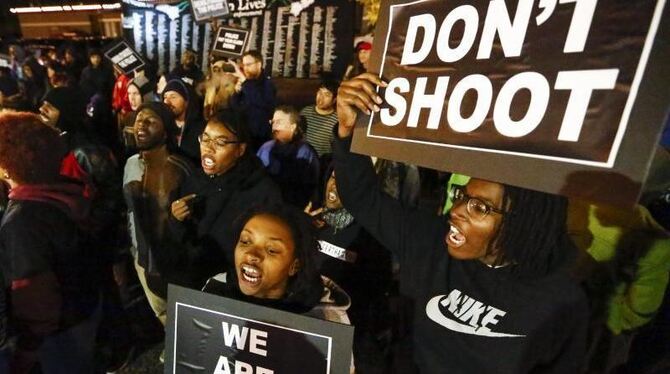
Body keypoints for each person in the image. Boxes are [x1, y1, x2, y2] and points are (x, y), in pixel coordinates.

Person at [332, 73, 589, 373]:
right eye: (461, 196)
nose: (456, 211)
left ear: (525, 224)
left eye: (479, 207)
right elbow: (363, 198)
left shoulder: (561, 303)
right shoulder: (431, 242)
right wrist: (348, 131)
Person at [0, 112, 102, 373]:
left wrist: (26, 351)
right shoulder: (65, 191)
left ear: (8, 165)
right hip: (84, 310)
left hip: (55, 336)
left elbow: (35, 293)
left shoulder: (22, 220)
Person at [202, 203, 353, 372]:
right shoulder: (216, 287)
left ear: (294, 266)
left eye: (272, 250)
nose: (252, 254)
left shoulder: (326, 320)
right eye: (245, 241)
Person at [170, 110, 281, 289]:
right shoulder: (194, 180)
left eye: (220, 142)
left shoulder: (262, 192)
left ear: (240, 150)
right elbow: (180, 242)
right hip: (189, 283)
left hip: (229, 290)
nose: (208, 148)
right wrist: (176, 219)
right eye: (205, 139)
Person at [306, 167, 392, 373]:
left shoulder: (372, 234)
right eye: (334, 177)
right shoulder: (312, 220)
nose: (334, 185)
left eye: (346, 179)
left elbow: (376, 289)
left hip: (345, 330)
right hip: (308, 321)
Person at [123, 101, 193, 325]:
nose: (140, 126)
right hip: (143, 258)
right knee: (162, 313)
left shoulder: (181, 169)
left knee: (184, 318)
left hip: (177, 266)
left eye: (150, 121)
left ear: (166, 131)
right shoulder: (131, 164)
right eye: (138, 120)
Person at [257, 105, 320, 208]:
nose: (274, 126)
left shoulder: (305, 152)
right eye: (273, 122)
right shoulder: (266, 148)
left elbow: (312, 187)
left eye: (279, 122)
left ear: (293, 126)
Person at [229, 50, 277, 151]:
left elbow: (261, 103)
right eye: (244, 65)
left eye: (248, 65)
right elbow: (234, 107)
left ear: (259, 64)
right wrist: (236, 92)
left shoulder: (268, 84)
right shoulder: (246, 83)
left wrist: (244, 82)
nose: (245, 68)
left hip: (259, 138)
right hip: (242, 134)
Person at [162, 78, 206, 163]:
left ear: (186, 101)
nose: (167, 102)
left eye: (173, 97)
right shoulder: (161, 127)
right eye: (165, 97)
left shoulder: (201, 129)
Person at [300, 80, 339, 157]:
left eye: (326, 95)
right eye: (320, 92)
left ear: (334, 100)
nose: (321, 97)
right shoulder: (305, 111)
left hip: (323, 163)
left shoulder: (337, 120)